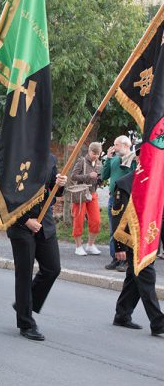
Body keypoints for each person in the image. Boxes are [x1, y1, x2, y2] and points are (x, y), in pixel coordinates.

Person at [8, 155, 67, 341]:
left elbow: (54, 190)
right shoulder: (15, 154)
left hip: (45, 223)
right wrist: (26, 220)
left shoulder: (49, 159)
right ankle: (26, 323)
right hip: (21, 225)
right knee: (24, 275)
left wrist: (60, 184)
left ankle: (24, 304)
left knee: (52, 268)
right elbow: (5, 195)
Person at [110, 152, 164, 336]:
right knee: (147, 277)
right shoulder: (126, 183)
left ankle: (122, 314)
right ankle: (158, 322)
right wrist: (119, 247)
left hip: (149, 240)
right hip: (132, 240)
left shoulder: (156, 182)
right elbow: (117, 217)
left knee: (134, 279)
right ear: (139, 159)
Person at [101, 135, 137, 270]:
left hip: (127, 199)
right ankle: (116, 257)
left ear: (126, 145)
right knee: (114, 229)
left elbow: (134, 177)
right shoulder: (114, 159)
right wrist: (108, 159)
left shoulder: (134, 159)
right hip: (113, 199)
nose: (114, 148)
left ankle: (126, 260)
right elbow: (104, 176)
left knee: (126, 229)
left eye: (116, 145)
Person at [70, 142, 103, 256]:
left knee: (96, 221)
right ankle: (78, 247)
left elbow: (99, 179)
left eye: (98, 154)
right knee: (78, 220)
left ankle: (90, 245)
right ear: (89, 151)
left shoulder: (99, 163)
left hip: (93, 194)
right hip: (80, 194)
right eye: (94, 153)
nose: (96, 156)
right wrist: (88, 176)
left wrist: (100, 179)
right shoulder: (81, 161)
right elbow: (73, 176)